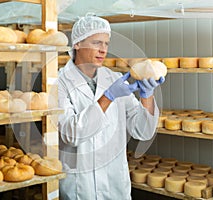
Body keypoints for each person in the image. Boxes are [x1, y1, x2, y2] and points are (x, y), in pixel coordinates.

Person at [57, 14, 165, 200]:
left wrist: (147, 96)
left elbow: (143, 131)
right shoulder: (58, 82)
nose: (103, 50)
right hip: (81, 185)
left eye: (106, 44)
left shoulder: (113, 79)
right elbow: (71, 134)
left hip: (114, 182)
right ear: (77, 44)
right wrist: (108, 97)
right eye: (96, 43)